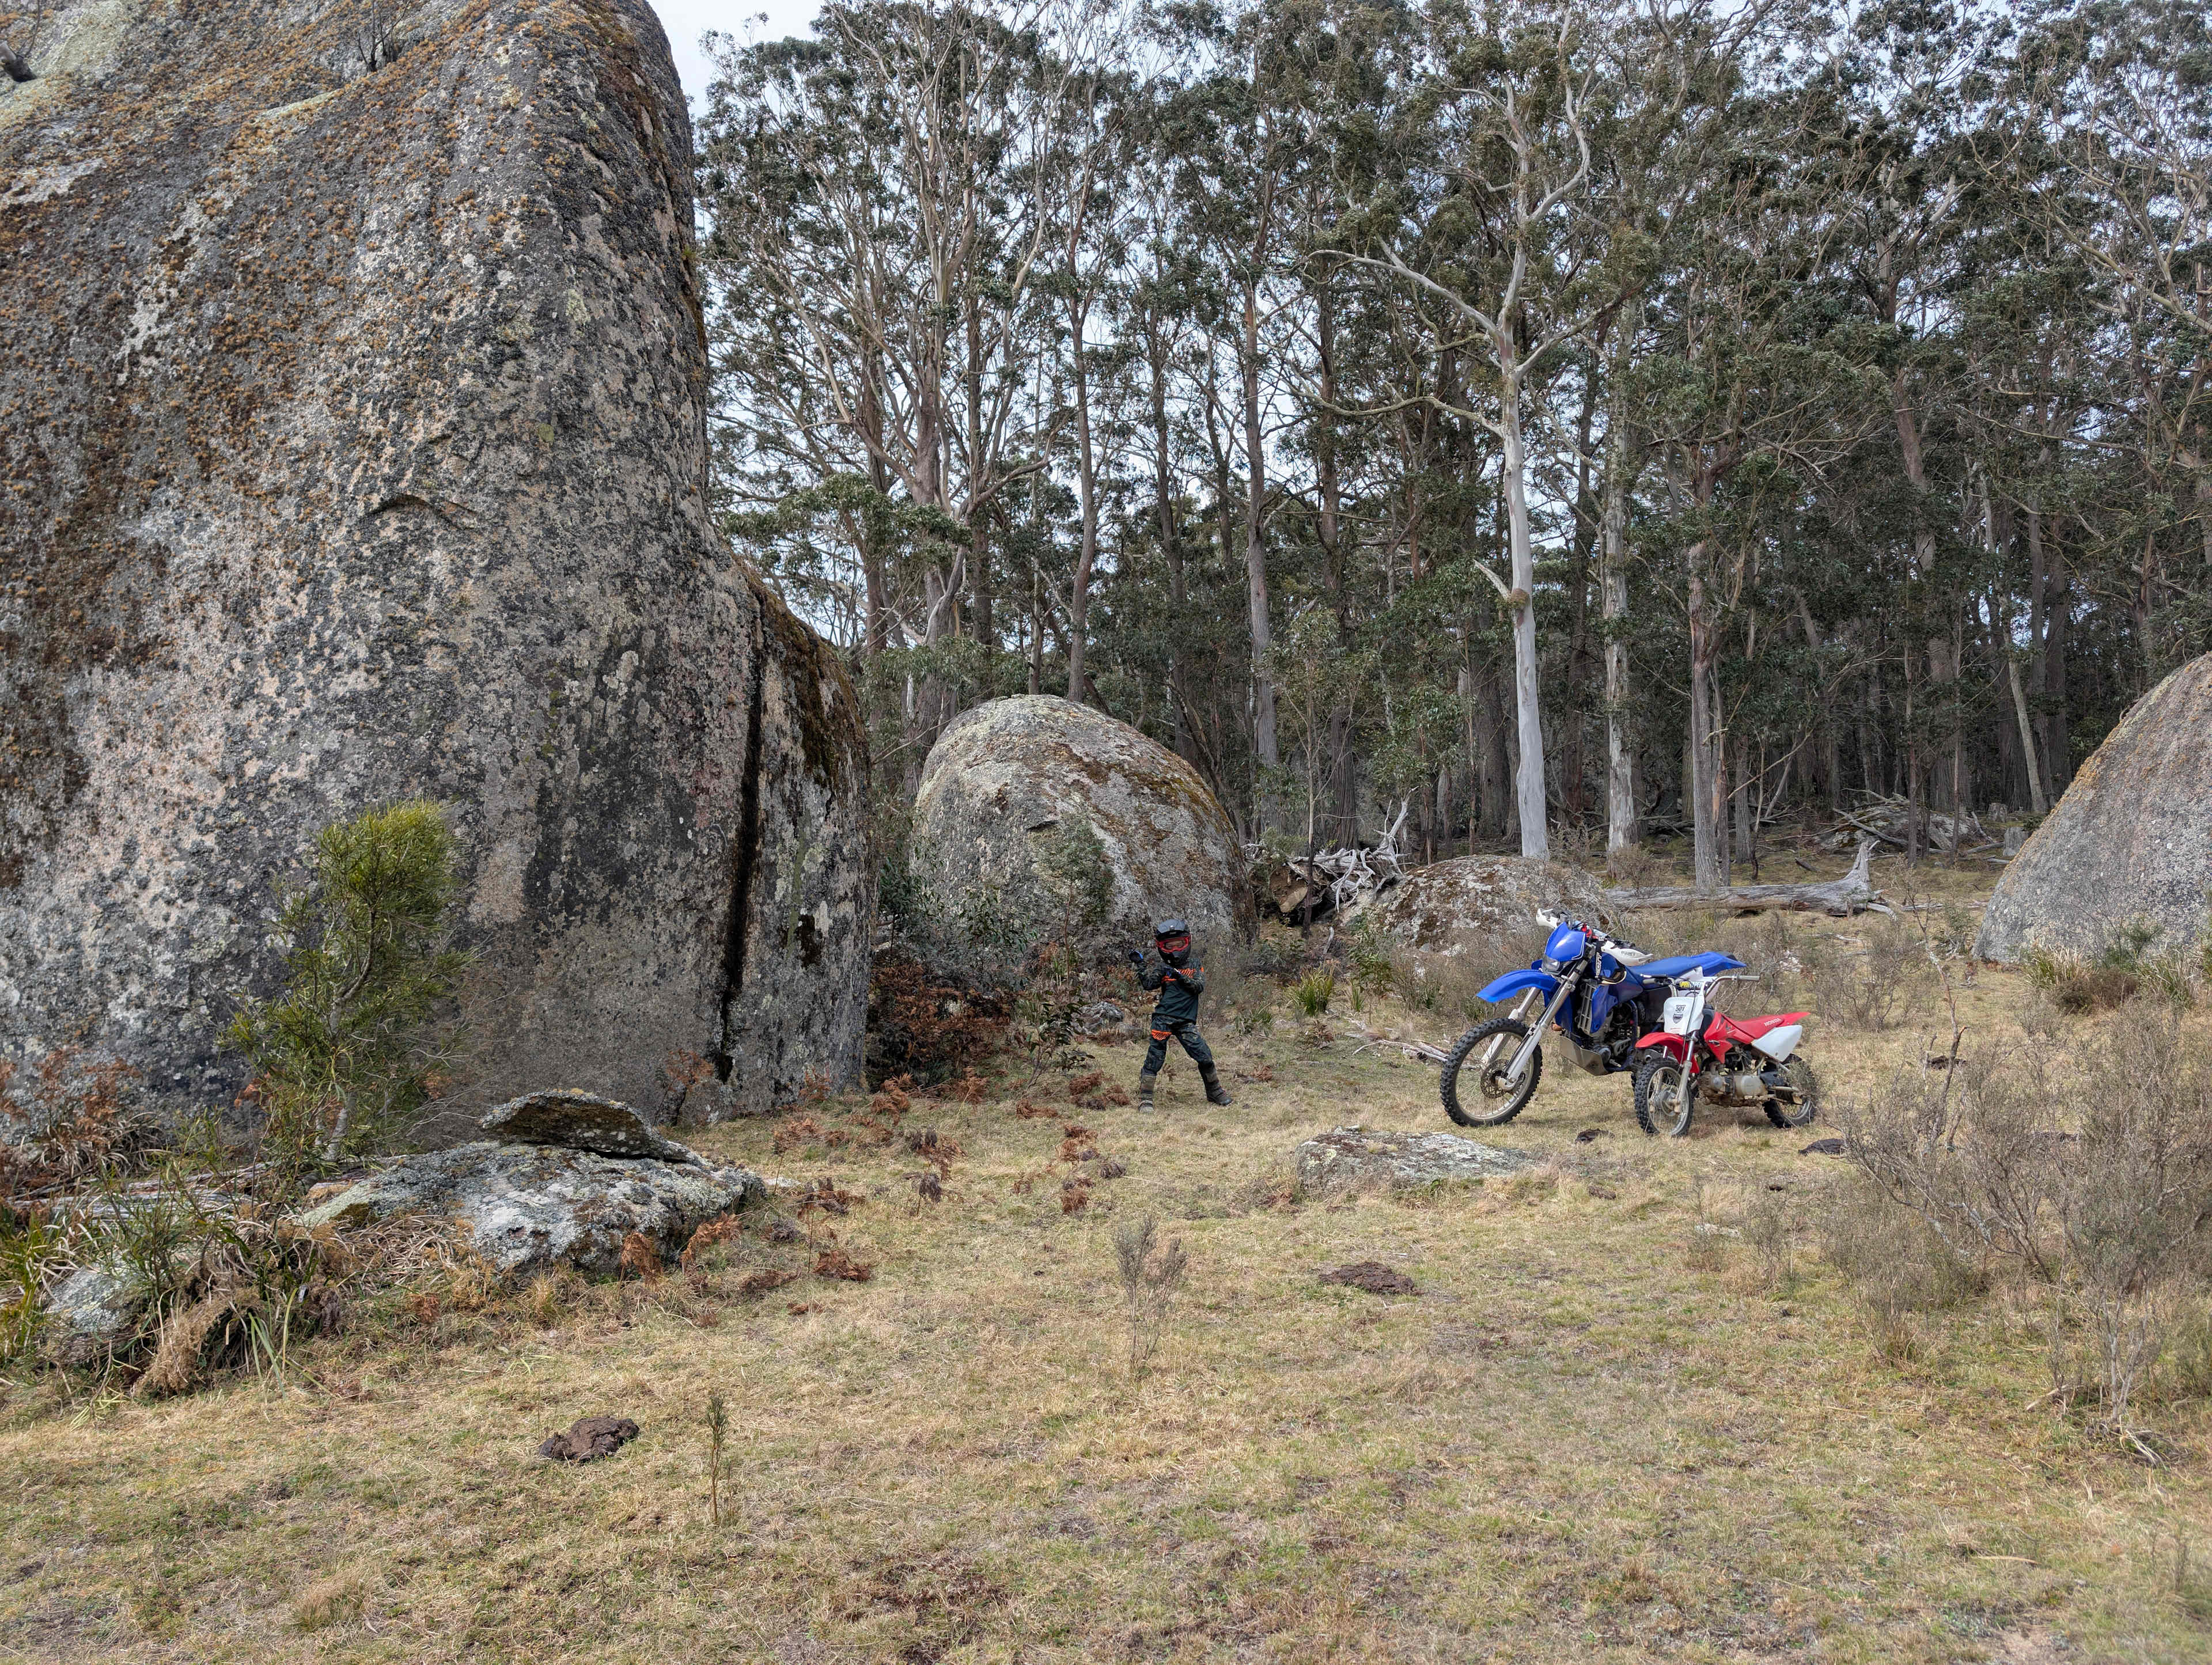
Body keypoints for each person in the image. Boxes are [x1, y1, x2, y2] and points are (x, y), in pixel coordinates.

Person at [1127, 918, 1232, 1112]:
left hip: (1185, 1023)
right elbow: (1149, 985)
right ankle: (1146, 1099)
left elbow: (1198, 987)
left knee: (1205, 1056)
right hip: (1163, 1020)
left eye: (1179, 945)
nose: (1175, 950)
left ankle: (1215, 1092)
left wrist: (1178, 975)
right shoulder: (1162, 968)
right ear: (1162, 947)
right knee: (1154, 1059)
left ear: (1187, 942)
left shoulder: (1195, 964)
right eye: (1170, 946)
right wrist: (1140, 965)